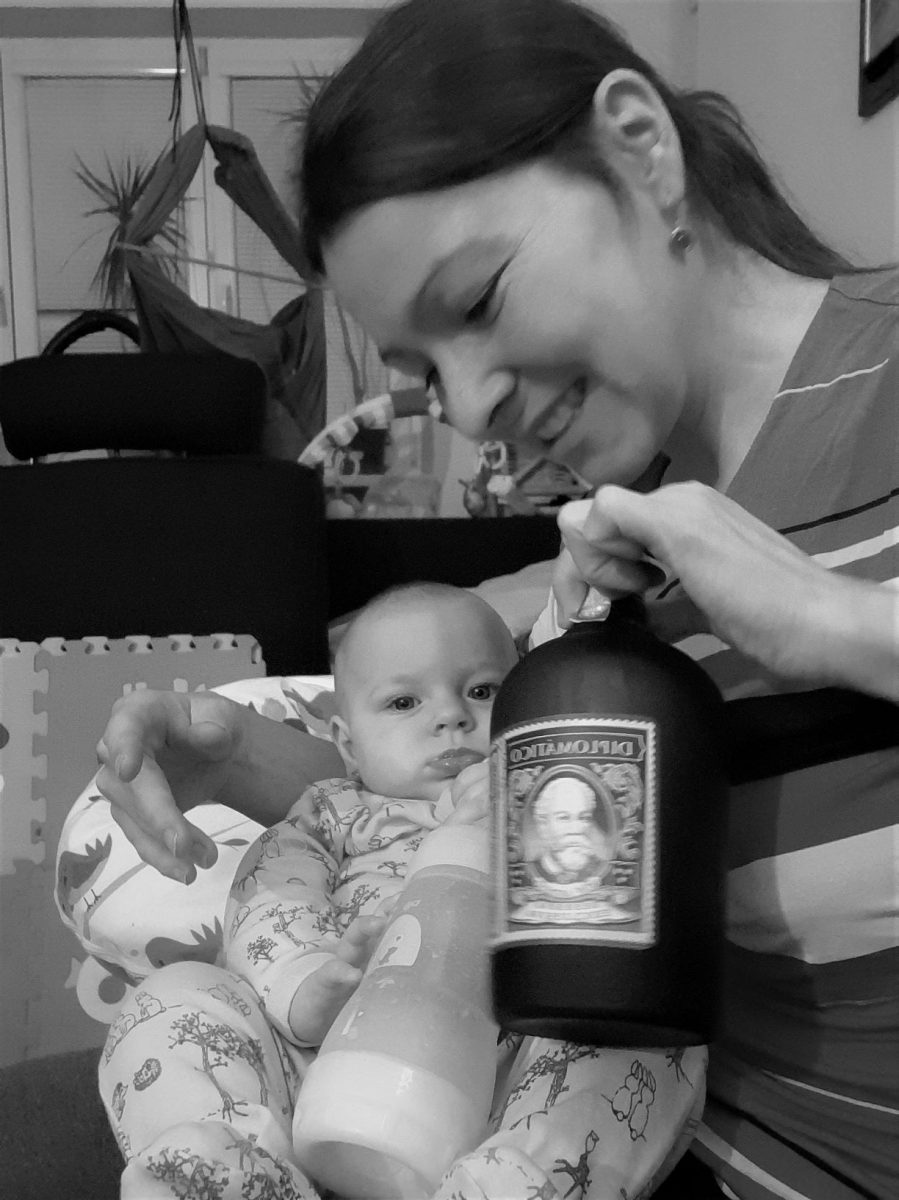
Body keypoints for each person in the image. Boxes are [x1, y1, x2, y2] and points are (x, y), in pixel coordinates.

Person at [94, 1, 898, 1196]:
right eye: (422, 368)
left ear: (640, 150)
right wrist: (237, 757)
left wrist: (838, 623)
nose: (468, 409)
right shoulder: (608, 556)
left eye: (476, 302)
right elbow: (473, 807)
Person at [97, 582, 705, 1198]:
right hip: (323, 1059)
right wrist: (311, 986)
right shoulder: (332, 814)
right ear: (347, 742)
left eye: (483, 691)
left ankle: (507, 1185)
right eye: (404, 701)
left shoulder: (547, 801)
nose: (451, 716)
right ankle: (233, 1173)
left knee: (640, 1037)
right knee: (174, 995)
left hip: (501, 1080)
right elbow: (272, 901)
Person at [526, 774, 613, 886]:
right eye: (564, 818)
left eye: (583, 818)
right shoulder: (527, 872)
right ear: (543, 824)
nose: (576, 829)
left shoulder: (605, 869)